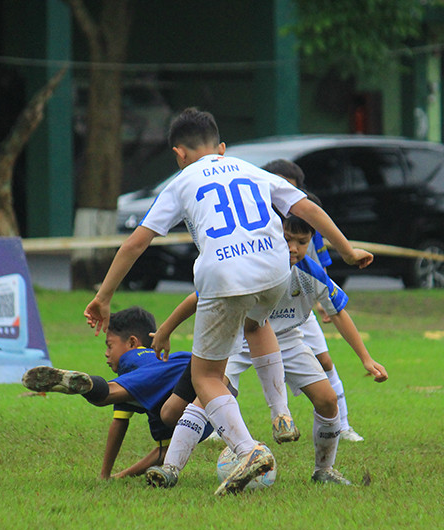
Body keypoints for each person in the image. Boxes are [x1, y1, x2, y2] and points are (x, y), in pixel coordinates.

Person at [83, 107, 373, 495]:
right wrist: (347, 250)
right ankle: (280, 413)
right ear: (220, 148)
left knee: (205, 377)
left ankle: (246, 449)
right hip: (274, 268)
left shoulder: (181, 180)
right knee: (255, 324)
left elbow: (138, 242)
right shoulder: (251, 169)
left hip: (223, 274)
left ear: (179, 154)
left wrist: (103, 297)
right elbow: (306, 208)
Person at [148, 212, 388, 487]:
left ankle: (324, 470)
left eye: (301, 241)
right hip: (238, 339)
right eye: (286, 239)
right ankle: (170, 469)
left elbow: (339, 313)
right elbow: (198, 297)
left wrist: (366, 359)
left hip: (287, 340)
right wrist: (166, 329)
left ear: (312, 241)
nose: (293, 248)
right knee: (204, 398)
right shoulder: (250, 267)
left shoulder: (311, 274)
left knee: (328, 400)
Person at [22, 306, 210, 480]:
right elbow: (162, 453)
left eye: (109, 346)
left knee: (106, 394)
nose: (106, 353)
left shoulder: (132, 360)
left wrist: (106, 474)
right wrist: (116, 476)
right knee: (171, 418)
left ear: (132, 342)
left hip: (167, 375)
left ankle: (88, 385)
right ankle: (238, 448)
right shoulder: (147, 376)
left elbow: (118, 425)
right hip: (192, 371)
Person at [262, 159, 365, 442]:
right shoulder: (263, 226)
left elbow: (319, 268)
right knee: (223, 372)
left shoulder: (307, 220)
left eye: (289, 189)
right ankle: (213, 422)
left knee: (325, 361)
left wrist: (321, 301)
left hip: (298, 307)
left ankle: (342, 425)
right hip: (257, 316)